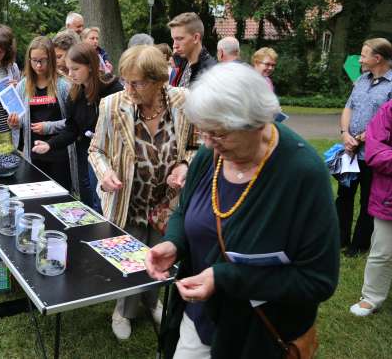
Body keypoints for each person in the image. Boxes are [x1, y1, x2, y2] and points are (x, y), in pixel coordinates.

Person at [145, 63, 339, 358]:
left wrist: (224, 278)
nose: (208, 143)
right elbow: (186, 211)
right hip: (200, 318)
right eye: (204, 132)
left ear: (258, 123)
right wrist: (174, 242)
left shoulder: (302, 173)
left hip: (258, 335)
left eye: (219, 134)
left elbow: (318, 280)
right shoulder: (211, 155)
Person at [88, 45, 194, 340]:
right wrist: (105, 173)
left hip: (166, 202)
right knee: (131, 260)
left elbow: (196, 145)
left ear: (159, 80)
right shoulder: (111, 105)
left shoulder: (183, 102)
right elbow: (96, 150)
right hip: (128, 201)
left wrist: (184, 165)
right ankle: (122, 310)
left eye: (136, 82)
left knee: (160, 254)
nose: (128, 88)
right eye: (125, 80)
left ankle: (152, 301)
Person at [32, 43, 123, 212]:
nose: (70, 74)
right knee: (89, 200)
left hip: (111, 158)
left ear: (90, 66)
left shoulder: (113, 90)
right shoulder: (75, 93)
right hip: (86, 156)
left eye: (75, 69)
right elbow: (72, 129)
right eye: (68, 69)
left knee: (106, 204)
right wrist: (50, 144)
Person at [337, 38, 392, 257]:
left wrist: (360, 138)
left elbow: (387, 122)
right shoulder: (361, 79)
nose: (359, 59)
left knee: (368, 198)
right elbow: (348, 107)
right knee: (344, 195)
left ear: (377, 58)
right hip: (350, 151)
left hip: (373, 154)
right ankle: (340, 239)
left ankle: (358, 245)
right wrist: (345, 134)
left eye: (363, 55)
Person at [8, 36, 78, 193]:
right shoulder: (23, 86)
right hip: (33, 156)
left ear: (51, 59)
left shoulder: (64, 86)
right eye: (34, 60)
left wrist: (49, 127)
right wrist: (15, 123)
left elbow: (74, 123)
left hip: (59, 156)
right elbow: (21, 121)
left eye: (43, 60)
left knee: (60, 199)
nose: (38, 65)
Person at [350, 99, 392, 316]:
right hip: (390, 196)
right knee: (383, 250)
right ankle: (371, 297)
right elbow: (375, 152)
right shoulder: (389, 109)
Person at [168, 12, 216, 87]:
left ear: (196, 38)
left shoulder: (210, 72)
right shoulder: (182, 62)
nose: (174, 45)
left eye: (180, 39)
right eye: (173, 39)